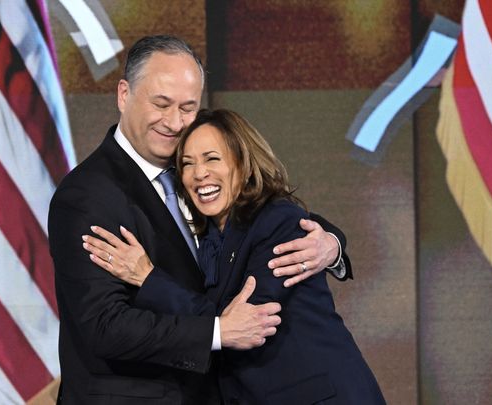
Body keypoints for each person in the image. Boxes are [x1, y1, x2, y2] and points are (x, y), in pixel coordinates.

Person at [49, 35, 350, 405]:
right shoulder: (88, 194)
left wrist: (331, 243)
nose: (175, 122)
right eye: (161, 104)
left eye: (187, 107)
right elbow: (104, 326)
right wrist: (218, 332)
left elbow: (265, 214)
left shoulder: (196, 177)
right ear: (124, 95)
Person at [86, 109, 385, 404]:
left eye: (212, 158)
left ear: (242, 163)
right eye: (187, 164)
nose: (199, 173)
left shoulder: (277, 221)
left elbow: (243, 323)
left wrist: (148, 278)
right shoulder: (205, 237)